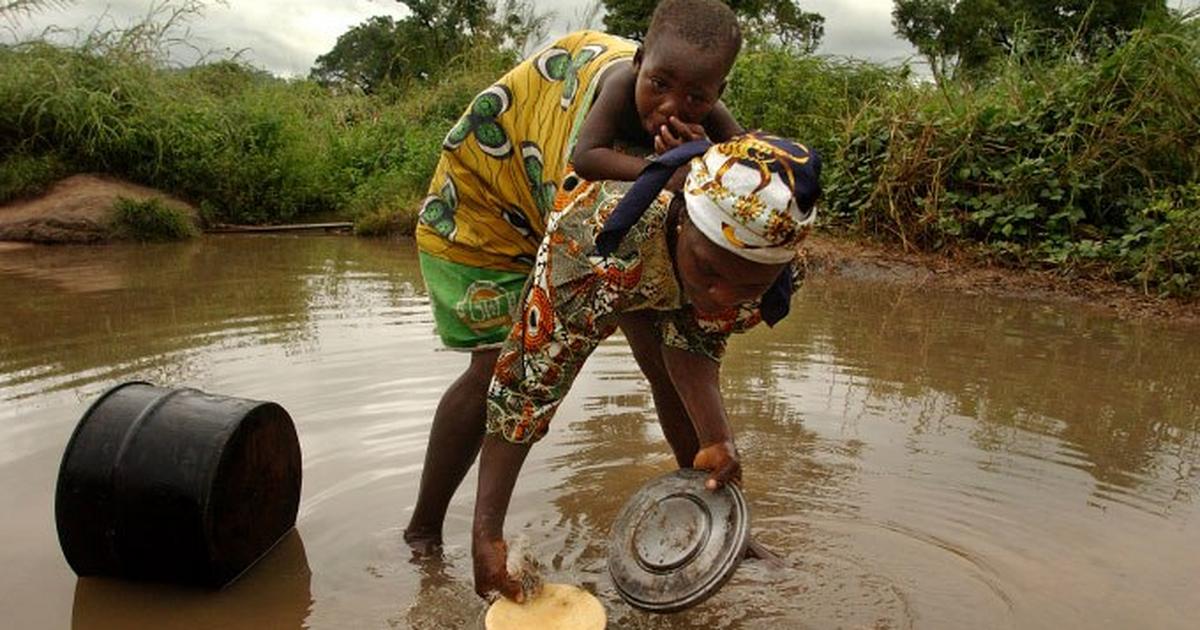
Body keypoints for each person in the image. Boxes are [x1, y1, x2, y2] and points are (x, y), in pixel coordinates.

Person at [406, 0, 745, 553]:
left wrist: (704, 158)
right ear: (640, 62)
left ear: (716, 92)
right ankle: (423, 530)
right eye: (659, 83)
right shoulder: (619, 86)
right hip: (490, 197)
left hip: (597, 203)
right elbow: (586, 158)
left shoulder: (700, 107)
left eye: (696, 97)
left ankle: (715, 518)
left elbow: (747, 163)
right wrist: (670, 172)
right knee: (496, 363)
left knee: (662, 356)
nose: (671, 106)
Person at [473, 132, 822, 601]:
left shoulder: (771, 271)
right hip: (511, 172)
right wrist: (488, 534)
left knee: (665, 369)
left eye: (746, 286)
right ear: (683, 223)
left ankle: (708, 518)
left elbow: (692, 338)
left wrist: (718, 440)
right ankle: (423, 536)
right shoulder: (588, 245)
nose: (721, 296)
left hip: (651, 258)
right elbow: (527, 384)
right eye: (710, 271)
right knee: (487, 371)